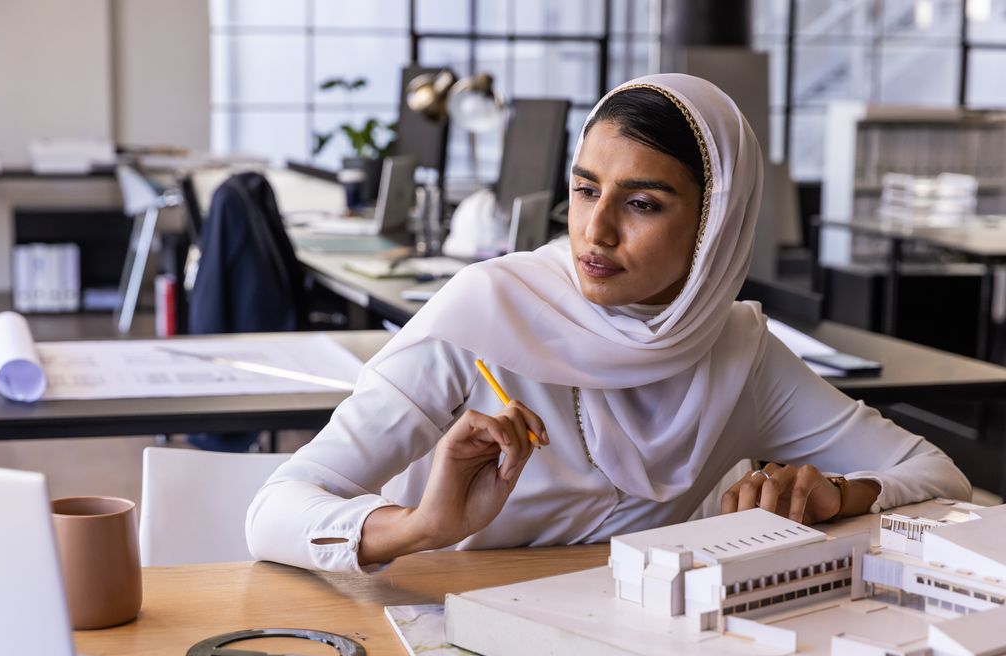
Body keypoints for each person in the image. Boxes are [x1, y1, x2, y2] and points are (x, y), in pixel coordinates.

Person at [246, 74, 969, 573]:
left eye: (643, 203)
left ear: (716, 225)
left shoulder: (739, 354)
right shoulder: (483, 316)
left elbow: (938, 475)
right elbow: (275, 509)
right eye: (586, 189)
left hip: (633, 650)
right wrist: (420, 528)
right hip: (450, 638)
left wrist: (837, 493)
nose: (595, 231)